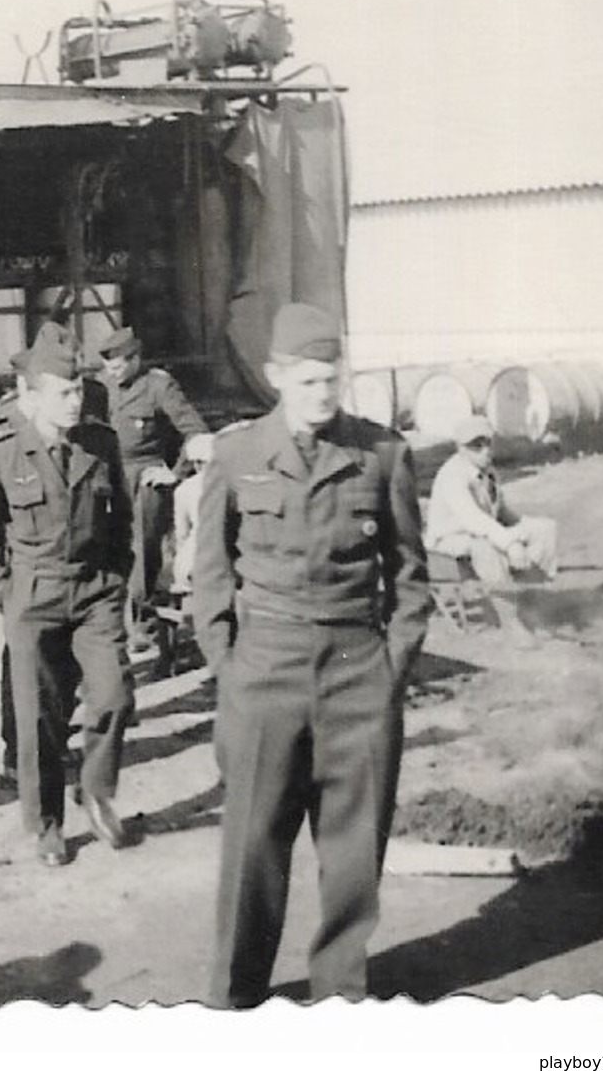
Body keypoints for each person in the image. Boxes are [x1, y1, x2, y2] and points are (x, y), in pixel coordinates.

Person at [192, 302, 431, 1007]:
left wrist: (390, 670)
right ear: (274, 377)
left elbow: (410, 573)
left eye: (331, 380)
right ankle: (234, 999)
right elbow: (209, 572)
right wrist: (227, 667)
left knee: (353, 854)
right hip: (263, 669)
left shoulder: (380, 454)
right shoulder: (235, 455)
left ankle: (340, 999)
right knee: (251, 848)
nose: (322, 395)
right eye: (306, 382)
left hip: (358, 668)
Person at [0, 332, 136, 867]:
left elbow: (123, 519)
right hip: (33, 595)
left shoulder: (100, 443)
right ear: (31, 397)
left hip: (94, 592)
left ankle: (97, 790)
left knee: (114, 696)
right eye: (63, 393)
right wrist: (2, 591)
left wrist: (117, 577)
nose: (75, 402)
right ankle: (48, 824)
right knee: (40, 718)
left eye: (78, 390)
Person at [97, 327, 209, 649]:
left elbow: (196, 432)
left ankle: (141, 625)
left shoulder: (159, 386)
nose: (112, 372)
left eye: (118, 365)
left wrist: (175, 474)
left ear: (135, 360)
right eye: (108, 366)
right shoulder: (102, 386)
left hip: (144, 477)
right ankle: (110, 624)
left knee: (141, 553)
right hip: (109, 475)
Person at [427, 413, 558, 584]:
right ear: (461, 448)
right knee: (485, 546)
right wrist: (510, 544)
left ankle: (536, 589)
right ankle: (504, 600)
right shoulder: (453, 475)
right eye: (476, 446)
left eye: (488, 443)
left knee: (544, 529)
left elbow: (502, 513)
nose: (485, 450)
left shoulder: (488, 471)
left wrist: (525, 527)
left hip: (480, 533)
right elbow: (474, 520)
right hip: (446, 544)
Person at [169, 432, 215, 600]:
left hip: (193, 562)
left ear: (198, 464)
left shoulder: (185, 489)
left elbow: (181, 534)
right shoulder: (234, 485)